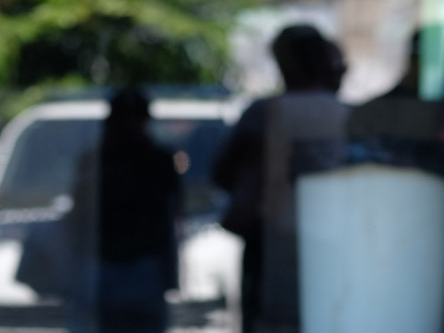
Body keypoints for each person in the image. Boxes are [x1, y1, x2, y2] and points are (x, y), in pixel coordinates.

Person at [212, 23, 349, 333]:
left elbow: (222, 171)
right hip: (325, 238)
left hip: (274, 236)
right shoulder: (344, 114)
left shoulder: (266, 112)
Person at [66, 88, 183, 333]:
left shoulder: (155, 160)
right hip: (110, 267)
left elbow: (172, 218)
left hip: (137, 268)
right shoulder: (98, 161)